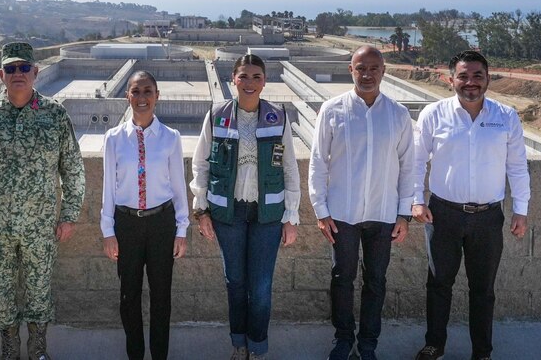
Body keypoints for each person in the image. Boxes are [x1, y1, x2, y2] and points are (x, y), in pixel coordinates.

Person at [0, 42, 86, 360]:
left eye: (24, 67)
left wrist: (69, 215)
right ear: (1, 75)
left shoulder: (54, 115)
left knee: (39, 292)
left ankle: (37, 349)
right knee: (1, 293)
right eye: (10, 68)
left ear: (35, 72)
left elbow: (72, 169)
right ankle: (10, 348)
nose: (18, 74)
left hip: (40, 229)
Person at [411, 51, 530, 360]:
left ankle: (482, 352)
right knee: (439, 283)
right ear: (451, 79)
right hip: (443, 215)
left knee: (483, 289)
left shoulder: (506, 116)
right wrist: (416, 200)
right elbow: (416, 162)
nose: (470, 82)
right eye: (463, 76)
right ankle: (434, 345)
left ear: (488, 79)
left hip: (488, 218)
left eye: (478, 75)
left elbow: (517, 166)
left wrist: (521, 210)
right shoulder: (434, 114)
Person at [190, 54, 300, 360]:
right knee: (235, 283)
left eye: (256, 77)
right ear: (233, 79)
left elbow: (290, 168)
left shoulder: (277, 117)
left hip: (268, 216)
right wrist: (201, 209)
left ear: (264, 81)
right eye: (243, 76)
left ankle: (258, 347)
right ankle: (239, 345)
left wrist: (291, 216)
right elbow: (201, 164)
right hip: (229, 214)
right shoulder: (217, 115)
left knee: (261, 287)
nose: (249, 83)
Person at [308, 46, 415, 360]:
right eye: (361, 68)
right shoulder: (332, 110)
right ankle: (343, 340)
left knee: (376, 282)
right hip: (342, 214)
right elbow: (318, 162)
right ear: (351, 70)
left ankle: (368, 345)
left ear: (383, 71)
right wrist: (320, 211)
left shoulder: (398, 114)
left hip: (383, 214)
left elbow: (408, 166)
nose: (367, 74)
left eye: (373, 68)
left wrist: (404, 214)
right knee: (342, 279)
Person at [101, 70, 189, 360]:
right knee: (129, 296)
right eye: (135, 91)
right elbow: (108, 188)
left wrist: (181, 229)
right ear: (127, 96)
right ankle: (135, 354)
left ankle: (159, 355)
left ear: (157, 96)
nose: (142, 97)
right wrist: (108, 232)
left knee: (161, 296)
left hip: (161, 224)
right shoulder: (113, 139)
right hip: (126, 225)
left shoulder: (170, 138)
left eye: (147, 91)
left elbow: (178, 187)